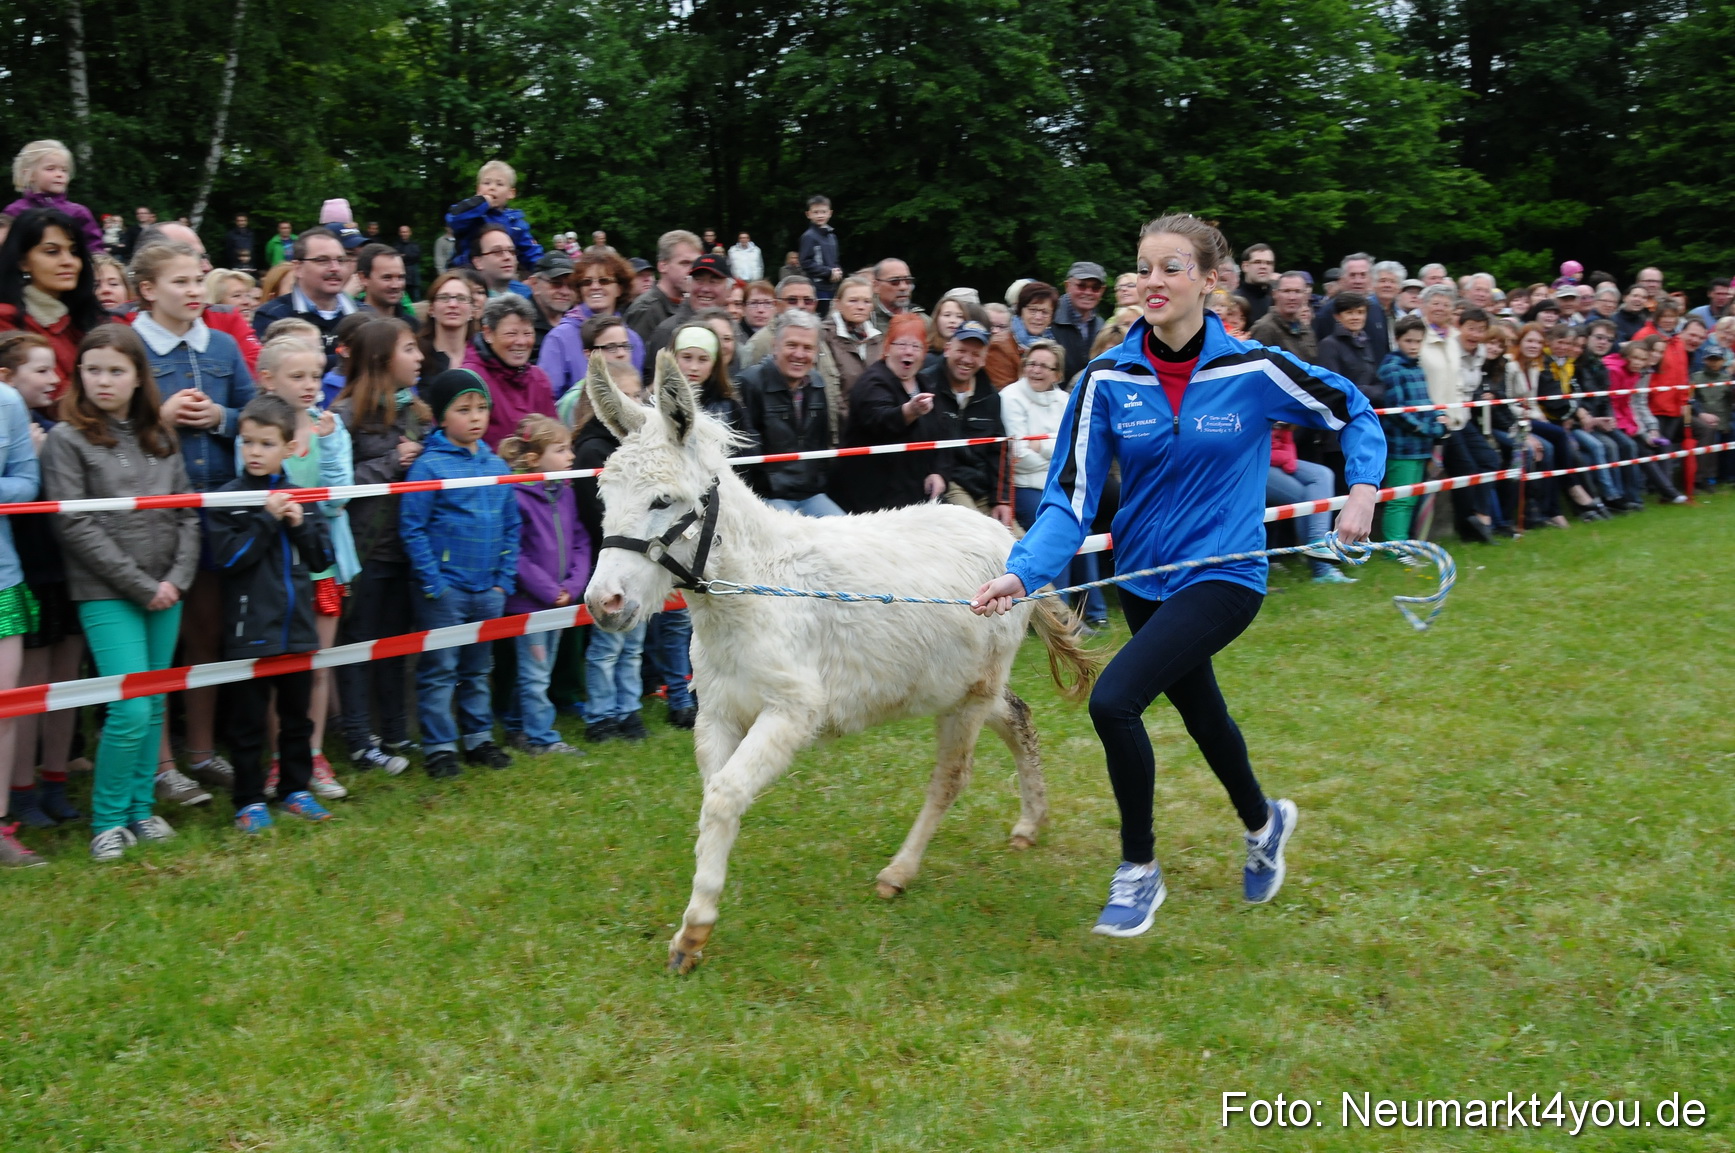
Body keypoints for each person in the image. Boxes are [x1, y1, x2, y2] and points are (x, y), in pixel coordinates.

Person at [973, 214, 1386, 938]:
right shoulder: (1105, 379)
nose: (1150, 282)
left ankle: (1138, 871)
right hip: (1142, 575)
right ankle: (1263, 823)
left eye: (1170, 268)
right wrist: (1024, 571)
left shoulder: (1251, 371)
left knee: (1115, 700)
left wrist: (1361, 487)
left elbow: (1352, 407)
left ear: (1208, 280)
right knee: (1200, 709)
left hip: (1225, 572)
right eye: (1143, 268)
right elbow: (1069, 499)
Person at [42, 327, 202, 861]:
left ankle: (139, 808)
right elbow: (76, 526)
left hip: (167, 587)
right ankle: (107, 820)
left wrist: (177, 578)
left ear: (138, 377)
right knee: (130, 708)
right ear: (79, 375)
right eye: (92, 369)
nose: (103, 381)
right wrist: (141, 585)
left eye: (116, 370)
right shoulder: (67, 439)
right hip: (107, 591)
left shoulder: (161, 433)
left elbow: (186, 513)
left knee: (153, 701)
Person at [205, 394, 338, 831]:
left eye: (265, 444)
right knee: (246, 725)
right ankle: (247, 799)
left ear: (287, 448)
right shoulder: (228, 499)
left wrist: (299, 524)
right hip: (249, 633)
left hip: (297, 629)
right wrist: (265, 519)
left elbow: (322, 559)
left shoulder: (304, 496)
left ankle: (295, 789)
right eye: (248, 443)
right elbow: (227, 560)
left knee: (296, 718)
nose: (255, 452)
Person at [248, 335, 358, 800]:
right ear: (268, 379)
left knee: (315, 667)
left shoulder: (331, 429)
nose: (311, 385)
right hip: (276, 570)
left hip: (322, 566)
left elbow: (339, 498)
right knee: (279, 670)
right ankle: (279, 760)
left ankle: (311, 754)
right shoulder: (256, 432)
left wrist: (329, 445)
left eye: (316, 375)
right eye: (298, 376)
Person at [399, 368, 519, 778]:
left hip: (489, 589)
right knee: (440, 670)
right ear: (440, 417)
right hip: (445, 592)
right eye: (464, 409)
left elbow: (511, 525)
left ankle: (478, 740)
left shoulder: (496, 464)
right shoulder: (429, 467)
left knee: (478, 669)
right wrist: (434, 583)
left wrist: (504, 581)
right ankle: (439, 747)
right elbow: (412, 527)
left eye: (482, 407)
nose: (475, 416)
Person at [331, 319, 425, 773]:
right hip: (363, 551)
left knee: (395, 645)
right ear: (380, 359)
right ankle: (356, 737)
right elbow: (335, 488)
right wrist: (391, 461)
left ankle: (394, 731)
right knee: (357, 645)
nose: (419, 357)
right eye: (409, 349)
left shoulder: (414, 413)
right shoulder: (344, 416)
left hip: (403, 549)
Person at [0, 332, 84, 837]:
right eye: (41, 369)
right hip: (25, 565)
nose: (54, 379)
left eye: (56, 369)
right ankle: (21, 787)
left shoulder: (57, 429)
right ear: (9, 373)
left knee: (56, 683)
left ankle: (47, 783)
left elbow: (26, 484)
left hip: (53, 569)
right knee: (27, 686)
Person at [497, 414, 590, 755]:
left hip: (560, 600)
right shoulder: (515, 496)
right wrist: (551, 591)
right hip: (531, 604)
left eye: (570, 449)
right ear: (535, 459)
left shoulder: (564, 494)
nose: (571, 457)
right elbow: (517, 555)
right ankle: (541, 737)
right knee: (535, 673)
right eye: (561, 450)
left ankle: (520, 726)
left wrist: (574, 585)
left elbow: (580, 541)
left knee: (541, 670)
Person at [1000, 339, 1110, 623]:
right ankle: (1058, 615)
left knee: (1080, 529)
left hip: (1057, 484)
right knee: (1055, 525)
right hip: (1023, 486)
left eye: (1044, 366)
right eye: (1031, 364)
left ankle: (1094, 611)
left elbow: (1074, 450)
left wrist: (1043, 448)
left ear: (1057, 374)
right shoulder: (1010, 396)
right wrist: (1054, 451)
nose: (1036, 371)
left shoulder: (1064, 399)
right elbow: (1020, 456)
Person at [735, 309, 843, 516]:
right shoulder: (749, 383)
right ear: (775, 346)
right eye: (792, 345)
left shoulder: (818, 383)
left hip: (811, 493)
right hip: (766, 496)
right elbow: (745, 456)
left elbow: (821, 446)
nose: (799, 355)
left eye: (808, 348)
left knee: (847, 533)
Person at [0, 207, 110, 385]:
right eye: (52, 252)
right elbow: (53, 398)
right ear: (22, 262)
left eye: (74, 251)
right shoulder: (6, 320)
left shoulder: (87, 317)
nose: (68, 261)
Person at [921, 320, 1013, 524]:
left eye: (975, 354)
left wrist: (1002, 500)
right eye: (961, 350)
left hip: (982, 487)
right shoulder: (925, 385)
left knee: (1017, 541)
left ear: (983, 360)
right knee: (981, 535)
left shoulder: (991, 396)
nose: (967, 359)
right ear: (947, 349)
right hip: (946, 482)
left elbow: (999, 449)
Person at [539, 250, 642, 396]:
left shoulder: (633, 340)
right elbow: (546, 398)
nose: (594, 287)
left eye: (604, 280)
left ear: (619, 289)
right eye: (587, 282)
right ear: (580, 290)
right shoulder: (559, 338)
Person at [1377, 315, 1442, 542]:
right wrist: (1427, 429)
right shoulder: (1392, 369)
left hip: (1420, 446)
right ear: (1397, 340)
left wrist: (1438, 418)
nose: (1414, 346)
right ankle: (1393, 549)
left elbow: (1426, 402)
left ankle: (1403, 543)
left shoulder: (1418, 367)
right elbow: (1397, 410)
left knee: (1412, 497)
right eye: (1408, 341)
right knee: (1399, 499)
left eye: (1418, 341)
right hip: (1401, 446)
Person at [249, 228, 360, 361]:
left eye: (341, 260)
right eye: (322, 260)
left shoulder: (365, 315)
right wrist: (354, 358)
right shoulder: (273, 316)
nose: (335, 268)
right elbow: (284, 368)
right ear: (298, 268)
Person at [462, 294, 554, 448]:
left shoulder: (539, 379)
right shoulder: (469, 379)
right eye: (511, 334)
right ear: (488, 334)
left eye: (527, 334)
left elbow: (553, 437)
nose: (521, 342)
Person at [5, 140, 103, 255]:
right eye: (50, 169)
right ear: (29, 174)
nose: (59, 174)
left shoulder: (79, 212)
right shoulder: (15, 211)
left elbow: (95, 248)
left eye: (64, 170)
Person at [445, 159, 543, 271]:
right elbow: (454, 219)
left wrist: (542, 269)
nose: (492, 188)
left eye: (499, 184)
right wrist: (481, 202)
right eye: (486, 183)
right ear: (478, 189)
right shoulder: (470, 210)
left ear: (511, 193)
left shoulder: (515, 222)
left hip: (501, 277)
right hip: (467, 274)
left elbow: (531, 252)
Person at [645, 252, 733, 360]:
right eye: (698, 280)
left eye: (713, 281)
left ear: (729, 289)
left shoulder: (735, 332)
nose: (705, 289)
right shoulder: (668, 332)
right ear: (688, 285)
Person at [624, 229, 700, 341]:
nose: (692, 270)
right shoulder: (646, 310)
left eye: (695, 263)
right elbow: (638, 356)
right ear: (663, 266)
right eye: (684, 263)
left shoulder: (691, 303)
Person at [986, 281, 1059, 388]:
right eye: (1033, 310)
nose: (1038, 317)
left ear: (1051, 317)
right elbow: (1005, 396)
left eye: (1045, 312)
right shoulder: (999, 346)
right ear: (1020, 311)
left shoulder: (1052, 346)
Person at [1315, 291, 1383, 404]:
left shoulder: (1366, 342)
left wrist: (1369, 391)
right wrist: (1365, 392)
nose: (1355, 317)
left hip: (1367, 408)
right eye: (1349, 312)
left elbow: (1378, 383)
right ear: (1337, 316)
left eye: (1360, 312)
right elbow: (1332, 386)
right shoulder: (1329, 345)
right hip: (1345, 412)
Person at [822, 275, 882, 396]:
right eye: (853, 300)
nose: (860, 307)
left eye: (867, 301)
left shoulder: (877, 338)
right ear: (838, 303)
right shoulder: (824, 335)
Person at [1248, 271, 1318, 363]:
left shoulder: (1305, 328)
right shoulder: (1264, 328)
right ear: (1275, 294)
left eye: (1297, 291)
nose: (1292, 297)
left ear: (1305, 296)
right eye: (1286, 291)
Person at [525, 251, 577, 358]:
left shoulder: (580, 321)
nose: (565, 291)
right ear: (534, 284)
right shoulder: (520, 322)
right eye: (556, 283)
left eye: (571, 285)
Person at [467, 223, 531, 300]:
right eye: (497, 251)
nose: (507, 257)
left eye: (511, 251)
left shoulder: (529, 297)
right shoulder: (468, 301)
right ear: (478, 262)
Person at [799, 195, 842, 307]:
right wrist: (829, 272)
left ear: (830, 213)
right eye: (816, 212)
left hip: (832, 285)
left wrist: (838, 271)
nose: (820, 215)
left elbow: (835, 260)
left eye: (823, 212)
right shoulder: (808, 236)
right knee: (820, 317)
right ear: (808, 214)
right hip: (816, 286)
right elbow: (805, 262)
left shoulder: (832, 236)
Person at [355, 243, 414, 322]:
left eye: (400, 277)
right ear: (363, 278)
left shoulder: (412, 326)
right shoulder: (351, 326)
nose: (395, 285)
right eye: (387, 278)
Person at [870, 257, 922, 330]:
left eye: (908, 281)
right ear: (876, 286)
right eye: (894, 282)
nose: (903, 287)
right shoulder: (865, 320)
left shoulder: (923, 320)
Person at [1232, 243, 1276, 323]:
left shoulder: (1278, 300)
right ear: (1245, 266)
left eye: (1269, 263)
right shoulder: (1232, 300)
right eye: (1257, 262)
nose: (1263, 266)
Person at [394, 224, 423, 299]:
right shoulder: (396, 245)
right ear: (399, 233)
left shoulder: (415, 245)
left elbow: (416, 257)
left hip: (413, 274)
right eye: (402, 232)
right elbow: (394, 258)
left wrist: (404, 256)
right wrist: (407, 257)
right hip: (400, 273)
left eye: (406, 232)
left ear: (410, 233)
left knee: (416, 296)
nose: (404, 234)